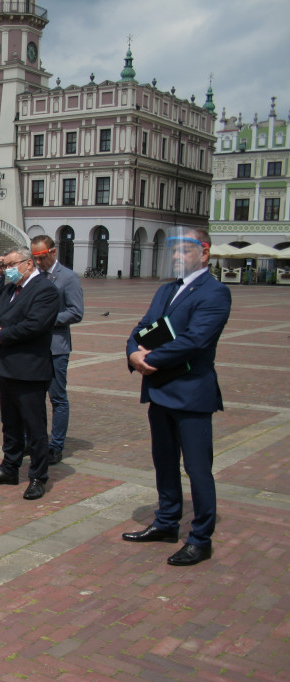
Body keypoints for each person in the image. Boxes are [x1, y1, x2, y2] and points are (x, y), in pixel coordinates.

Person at [123, 227, 231, 567]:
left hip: (191, 393)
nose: (176, 257)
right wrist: (132, 353)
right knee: (164, 462)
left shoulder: (214, 292)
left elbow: (196, 340)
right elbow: (142, 328)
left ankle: (200, 538)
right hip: (160, 392)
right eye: (174, 252)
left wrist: (149, 359)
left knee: (198, 469)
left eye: (184, 251)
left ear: (204, 253)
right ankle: (167, 522)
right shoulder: (166, 290)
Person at [0, 247, 59, 501]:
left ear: (29, 264)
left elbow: (35, 324)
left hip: (30, 368)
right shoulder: (9, 288)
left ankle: (37, 476)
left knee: (34, 427)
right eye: (6, 265)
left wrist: (1, 334)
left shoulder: (45, 289)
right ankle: (9, 468)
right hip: (7, 366)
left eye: (12, 265)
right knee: (10, 424)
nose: (8, 269)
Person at [30, 235, 84, 464]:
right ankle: (33, 440)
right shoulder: (34, 276)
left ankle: (57, 445)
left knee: (58, 397)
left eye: (41, 256)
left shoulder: (68, 278)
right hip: (34, 346)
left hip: (56, 347)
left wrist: (47, 320)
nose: (38, 261)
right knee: (32, 397)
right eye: (34, 257)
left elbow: (76, 311)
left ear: (53, 252)